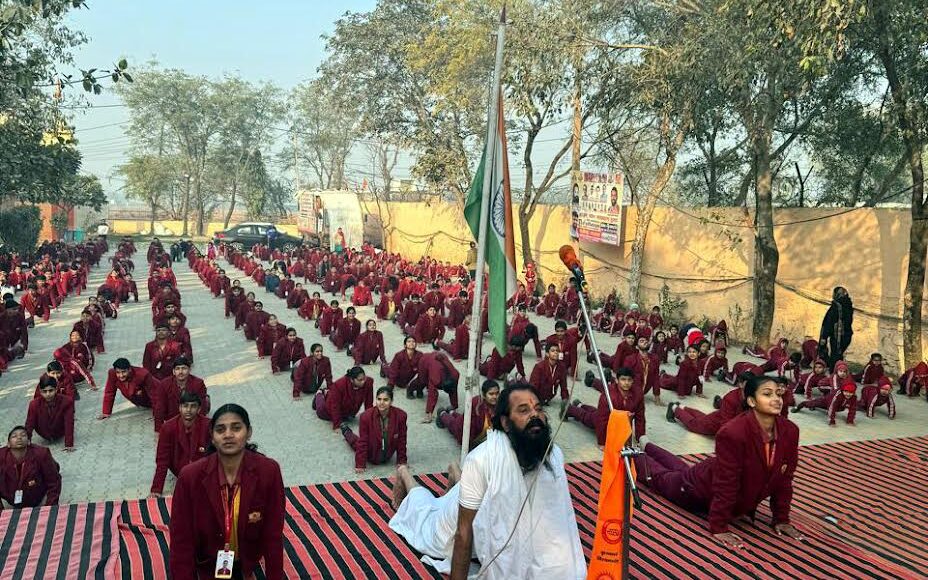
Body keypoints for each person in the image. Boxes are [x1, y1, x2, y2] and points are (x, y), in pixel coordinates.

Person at [635, 375, 803, 547]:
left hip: (709, 472)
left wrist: (781, 519)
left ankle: (648, 446)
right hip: (697, 488)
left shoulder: (790, 430)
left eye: (778, 394)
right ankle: (632, 455)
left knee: (681, 469)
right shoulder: (733, 432)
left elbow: (784, 479)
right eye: (767, 394)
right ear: (751, 401)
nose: (776, 399)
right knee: (661, 479)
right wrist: (719, 526)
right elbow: (726, 483)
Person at [449, 384, 586, 579]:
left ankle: (456, 477)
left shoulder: (554, 456)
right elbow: (463, 532)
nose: (535, 415)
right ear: (505, 423)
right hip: (456, 513)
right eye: (524, 410)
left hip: (478, 493)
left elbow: (557, 520)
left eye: (538, 408)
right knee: (427, 524)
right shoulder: (480, 460)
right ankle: (414, 475)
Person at [169, 404, 285, 580]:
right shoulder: (190, 477)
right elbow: (181, 539)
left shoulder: (268, 471)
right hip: (207, 561)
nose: (228, 435)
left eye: (236, 428)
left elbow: (273, 534)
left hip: (248, 560)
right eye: (220, 430)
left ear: (249, 432)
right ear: (212, 436)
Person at [150, 391, 210, 497]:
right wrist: (156, 489)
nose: (188, 410)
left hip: (203, 471)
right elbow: (162, 460)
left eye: (193, 406)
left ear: (199, 409)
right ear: (179, 408)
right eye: (185, 406)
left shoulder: (208, 425)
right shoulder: (168, 428)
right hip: (180, 470)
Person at [565, 368, 645, 446]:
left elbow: (640, 418)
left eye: (629, 380)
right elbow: (602, 419)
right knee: (586, 416)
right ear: (617, 380)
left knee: (594, 411)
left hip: (619, 424)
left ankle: (580, 405)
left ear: (632, 381)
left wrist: (640, 439)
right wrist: (602, 442)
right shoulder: (609, 394)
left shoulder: (638, 395)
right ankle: (569, 409)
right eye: (623, 379)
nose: (626, 383)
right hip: (604, 420)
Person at [341, 386, 408, 472]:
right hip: (371, 453)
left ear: (391, 401)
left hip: (387, 455)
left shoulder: (401, 416)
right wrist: (360, 465)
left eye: (385, 400)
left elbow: (402, 440)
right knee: (356, 443)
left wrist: (402, 461)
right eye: (379, 399)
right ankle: (346, 431)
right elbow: (363, 442)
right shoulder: (366, 416)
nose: (381, 403)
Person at [666, 372, 751, 436]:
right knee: (694, 424)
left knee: (701, 417)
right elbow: (726, 423)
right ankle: (674, 408)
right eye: (749, 384)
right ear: (740, 384)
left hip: (718, 418)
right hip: (716, 424)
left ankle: (681, 406)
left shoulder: (751, 396)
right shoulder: (731, 398)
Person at [0, 426, 61, 508]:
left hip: (36, 495)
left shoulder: (41, 453)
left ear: (29, 442)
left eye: (23, 435)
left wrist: (50, 507)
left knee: (52, 470)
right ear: (8, 444)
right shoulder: (1, 456)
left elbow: (54, 481)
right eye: (14, 436)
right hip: (10, 495)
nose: (19, 438)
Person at [436, 379, 500, 449]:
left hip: (470, 425)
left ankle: (451, 411)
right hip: (463, 428)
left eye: (497, 393)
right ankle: (442, 413)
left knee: (459, 418)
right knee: (452, 424)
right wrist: (468, 444)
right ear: (484, 395)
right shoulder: (477, 405)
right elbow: (469, 426)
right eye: (491, 394)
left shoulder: (498, 404)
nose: (495, 397)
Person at [156, 357, 210, 431]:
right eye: (177, 369)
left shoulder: (198, 384)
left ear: (189, 370)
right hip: (172, 418)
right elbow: (159, 408)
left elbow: (202, 408)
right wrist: (159, 430)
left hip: (192, 418)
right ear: (173, 371)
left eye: (184, 368)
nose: (180, 372)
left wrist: (200, 427)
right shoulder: (164, 384)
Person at [26, 376, 76, 450]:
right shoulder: (34, 404)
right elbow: (30, 423)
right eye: (44, 391)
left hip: (60, 432)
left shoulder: (66, 401)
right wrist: (27, 442)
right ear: (40, 391)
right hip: (43, 432)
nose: (48, 394)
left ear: (56, 389)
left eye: (51, 390)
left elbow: (69, 422)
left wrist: (69, 444)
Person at [420, 351, 460, 424]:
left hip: (440, 358)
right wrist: (429, 413)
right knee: (422, 381)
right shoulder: (436, 378)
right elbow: (432, 395)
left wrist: (454, 407)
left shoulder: (455, 375)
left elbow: (454, 391)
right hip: (425, 360)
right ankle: (411, 389)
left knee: (452, 390)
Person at [819, 286, 854, 370]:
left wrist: (824, 336)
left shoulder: (836, 306)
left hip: (837, 336)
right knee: (839, 354)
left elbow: (829, 322)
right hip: (846, 335)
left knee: (835, 355)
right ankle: (838, 370)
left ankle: (834, 372)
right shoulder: (849, 305)